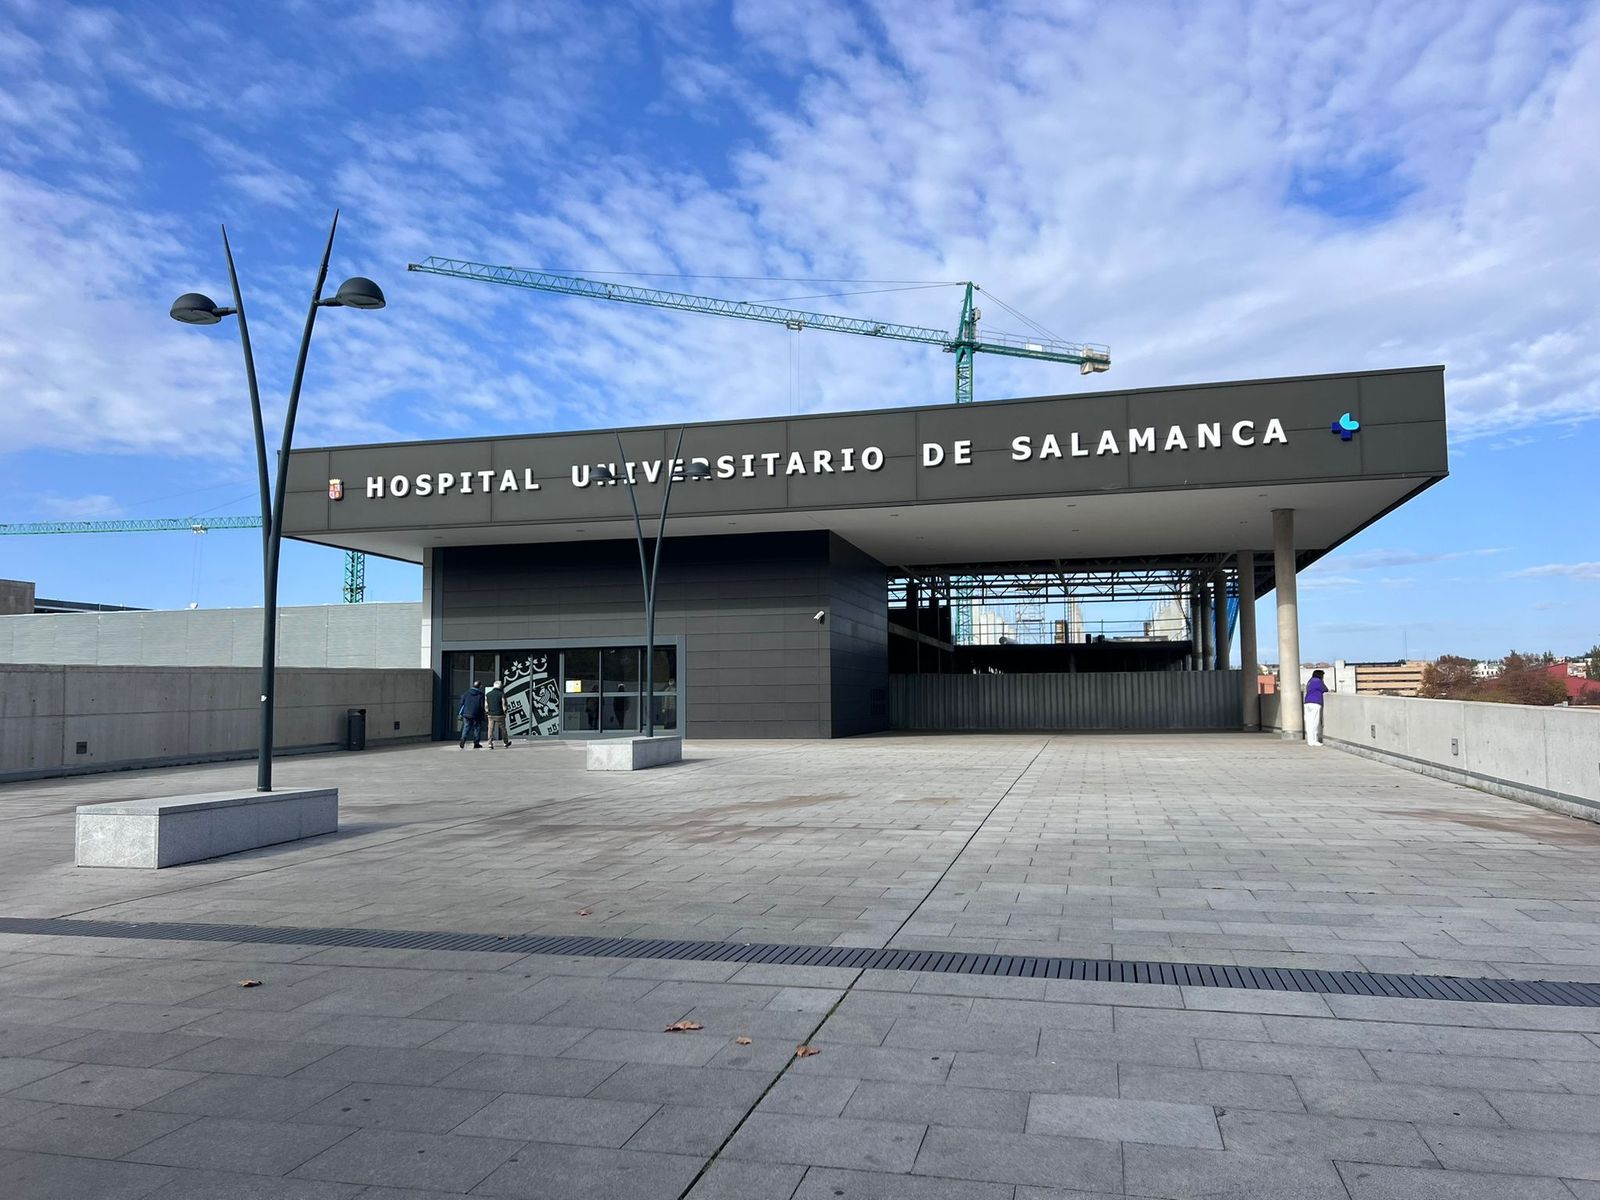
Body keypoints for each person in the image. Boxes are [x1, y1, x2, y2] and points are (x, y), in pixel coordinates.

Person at [458, 681, 486, 749]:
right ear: (479, 686)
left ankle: (463, 739)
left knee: (466, 727)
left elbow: (462, 703)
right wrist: (483, 714)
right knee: (477, 728)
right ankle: (476, 743)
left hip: (466, 713)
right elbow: (482, 706)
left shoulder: (466, 693)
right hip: (477, 714)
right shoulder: (481, 694)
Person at [484, 678, 511, 748]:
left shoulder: (488, 694)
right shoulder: (501, 694)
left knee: (490, 729)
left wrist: (487, 712)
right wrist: (505, 712)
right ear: (500, 686)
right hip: (500, 715)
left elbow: (486, 705)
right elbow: (504, 704)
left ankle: (490, 743)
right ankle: (505, 742)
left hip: (490, 715)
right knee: (503, 729)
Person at [1304, 668, 1328, 746]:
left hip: (1307, 702)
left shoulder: (1310, 681)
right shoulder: (1318, 681)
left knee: (1309, 722)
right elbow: (1325, 689)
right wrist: (1322, 682)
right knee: (1315, 722)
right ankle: (1314, 740)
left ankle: (1310, 740)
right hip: (1315, 703)